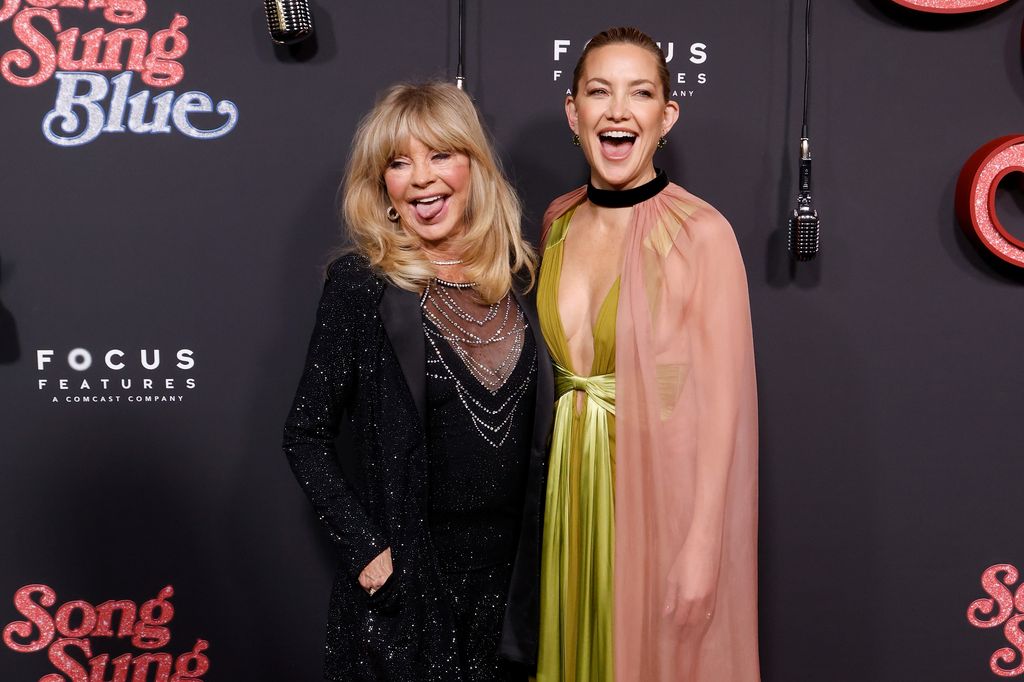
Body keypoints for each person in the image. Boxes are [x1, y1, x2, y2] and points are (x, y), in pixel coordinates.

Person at [282, 82, 553, 682]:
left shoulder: (522, 280)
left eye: (440, 155)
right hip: (407, 594)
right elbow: (305, 433)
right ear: (383, 187)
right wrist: (368, 552)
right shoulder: (362, 286)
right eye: (399, 163)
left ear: (474, 167)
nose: (422, 179)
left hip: (510, 595)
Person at [534, 27, 760, 682]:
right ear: (573, 111)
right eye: (598, 92)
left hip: (662, 503)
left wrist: (703, 545)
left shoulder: (702, 234)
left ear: (667, 116)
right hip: (570, 494)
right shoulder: (556, 222)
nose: (618, 111)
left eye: (639, 94)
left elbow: (725, 410)